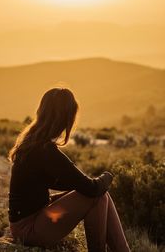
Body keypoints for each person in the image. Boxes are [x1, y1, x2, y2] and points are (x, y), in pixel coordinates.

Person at [8, 87, 131, 252]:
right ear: (64, 118)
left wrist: (88, 186)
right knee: (96, 196)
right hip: (28, 229)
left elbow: (75, 183)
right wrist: (108, 176)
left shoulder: (33, 142)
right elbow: (92, 188)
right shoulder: (45, 150)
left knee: (101, 196)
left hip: (32, 218)